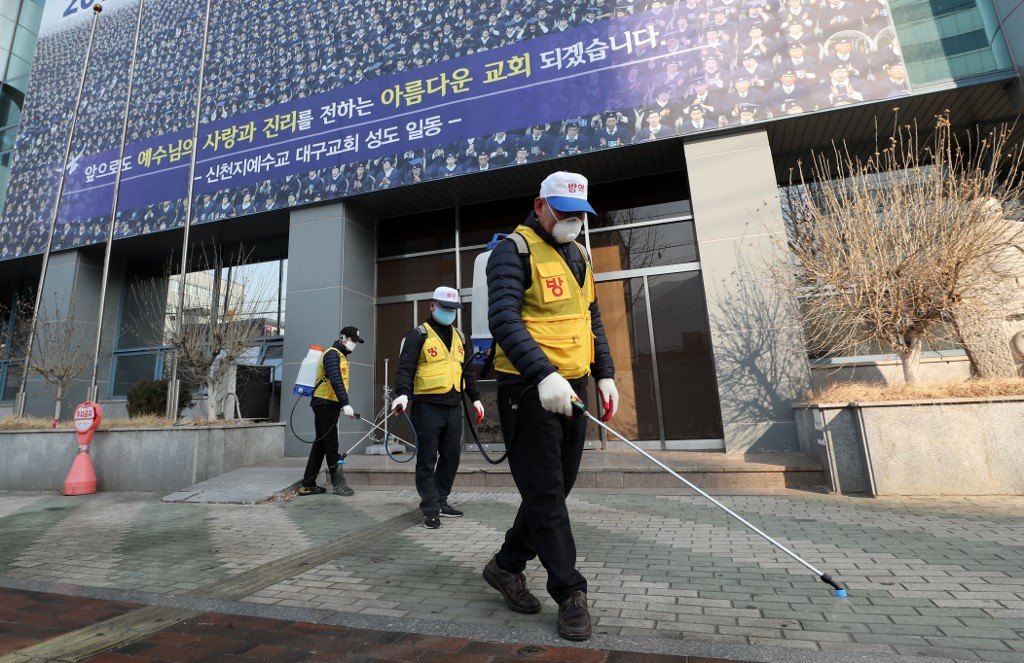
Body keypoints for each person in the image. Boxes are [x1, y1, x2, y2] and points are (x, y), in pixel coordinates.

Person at [483, 171, 617, 642]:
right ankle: (570, 593)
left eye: (580, 215)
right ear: (540, 205)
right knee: (545, 493)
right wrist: (543, 374)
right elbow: (501, 317)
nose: (572, 222)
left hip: (573, 385)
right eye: (563, 212)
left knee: (557, 488)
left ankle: (505, 565)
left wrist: (606, 373)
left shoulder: (579, 253)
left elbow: (589, 316)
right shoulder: (511, 251)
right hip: (529, 388)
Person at [391, 287, 484, 529]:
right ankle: (430, 508)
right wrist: (402, 395)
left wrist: (475, 398)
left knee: (451, 457)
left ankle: (441, 499)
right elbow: (405, 369)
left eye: (453, 309)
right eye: (445, 308)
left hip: (454, 407)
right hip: (427, 407)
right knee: (427, 459)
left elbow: (469, 372)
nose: (449, 313)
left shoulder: (462, 338)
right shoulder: (418, 335)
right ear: (432, 306)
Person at [298, 326, 363, 497]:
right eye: (352, 340)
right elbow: (335, 379)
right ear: (343, 337)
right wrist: (345, 403)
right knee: (332, 445)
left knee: (321, 444)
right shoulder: (332, 354)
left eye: (356, 342)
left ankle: (308, 484)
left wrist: (342, 405)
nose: (354, 344)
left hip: (329, 404)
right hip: (324, 404)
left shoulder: (340, 356)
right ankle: (339, 485)